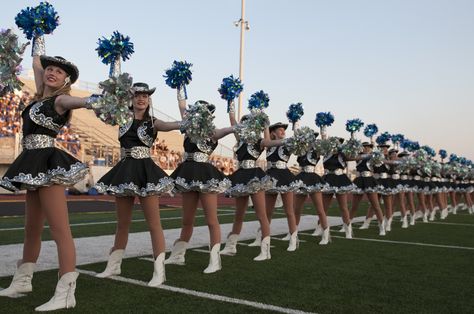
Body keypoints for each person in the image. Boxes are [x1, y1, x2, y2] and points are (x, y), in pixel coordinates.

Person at [0, 52, 94, 311]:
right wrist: (37, 32)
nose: (52, 72)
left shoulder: (61, 99)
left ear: (66, 80)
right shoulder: (39, 96)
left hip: (48, 164)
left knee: (59, 229)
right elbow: (36, 62)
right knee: (31, 228)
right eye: (49, 69)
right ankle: (23, 281)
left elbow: (84, 102)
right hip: (31, 162)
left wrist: (99, 100)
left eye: (59, 72)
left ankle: (66, 293)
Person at [94, 82, 181, 286]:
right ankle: (114, 265)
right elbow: (103, 108)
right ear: (131, 99)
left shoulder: (154, 122)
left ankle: (159, 271)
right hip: (124, 170)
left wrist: (189, 122)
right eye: (137, 95)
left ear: (149, 99)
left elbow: (172, 126)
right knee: (122, 223)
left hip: (145, 172)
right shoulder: (121, 118)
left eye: (145, 96)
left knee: (154, 224)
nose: (141, 99)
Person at [165, 92, 234, 274]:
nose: (200, 115)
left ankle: (215, 259)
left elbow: (230, 129)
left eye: (204, 112)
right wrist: (180, 86)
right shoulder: (188, 128)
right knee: (187, 220)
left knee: (211, 219)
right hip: (187, 173)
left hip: (205, 175)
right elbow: (182, 106)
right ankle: (179, 255)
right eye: (197, 112)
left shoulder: (213, 133)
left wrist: (233, 108)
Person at [221, 112, 285, 260]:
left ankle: (265, 250)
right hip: (241, 175)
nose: (243, 126)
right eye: (242, 123)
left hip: (255, 177)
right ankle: (231, 246)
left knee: (261, 215)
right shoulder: (240, 138)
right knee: (238, 215)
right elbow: (233, 121)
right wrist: (230, 100)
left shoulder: (260, 141)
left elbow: (270, 142)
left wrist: (266, 123)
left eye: (246, 123)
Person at [262, 122, 302, 251]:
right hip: (270, 176)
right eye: (280, 130)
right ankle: (263, 238)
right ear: (273, 133)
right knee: (267, 212)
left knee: (289, 211)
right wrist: (265, 126)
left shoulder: (288, 144)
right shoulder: (269, 145)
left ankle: (294, 239)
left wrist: (295, 123)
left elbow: (297, 140)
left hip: (284, 176)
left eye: (283, 130)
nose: (283, 132)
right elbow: (266, 138)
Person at [293, 131, 332, 244]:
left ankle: (325, 234)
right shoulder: (301, 151)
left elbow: (325, 145)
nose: (309, 141)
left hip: (313, 179)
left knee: (320, 209)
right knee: (297, 209)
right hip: (302, 178)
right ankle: (293, 233)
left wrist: (323, 132)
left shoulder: (317, 150)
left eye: (311, 139)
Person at [321, 137, 356, 239]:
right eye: (333, 143)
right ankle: (320, 227)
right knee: (324, 208)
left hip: (340, 180)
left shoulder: (343, 155)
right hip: (327, 179)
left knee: (343, 207)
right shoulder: (326, 153)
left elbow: (353, 157)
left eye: (337, 143)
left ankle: (348, 230)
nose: (335, 145)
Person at [349, 142, 386, 235]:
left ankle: (382, 228)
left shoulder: (374, 156)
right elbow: (351, 157)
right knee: (354, 206)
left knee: (376, 206)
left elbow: (379, 162)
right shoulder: (358, 156)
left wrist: (377, 154)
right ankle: (347, 224)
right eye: (364, 147)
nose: (366, 148)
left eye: (368, 147)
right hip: (359, 181)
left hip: (369, 180)